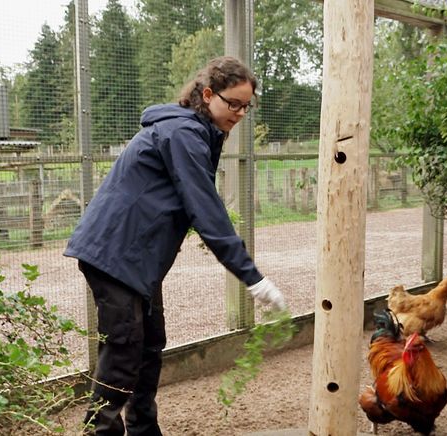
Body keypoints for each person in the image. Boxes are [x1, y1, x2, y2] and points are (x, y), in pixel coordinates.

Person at [64, 56, 287, 436]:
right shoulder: (183, 133)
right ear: (207, 94)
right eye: (233, 103)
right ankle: (98, 432)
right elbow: (205, 208)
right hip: (115, 253)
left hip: (137, 260)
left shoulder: (197, 132)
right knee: (124, 351)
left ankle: (144, 429)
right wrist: (252, 277)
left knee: (150, 345)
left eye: (246, 106)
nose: (240, 113)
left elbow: (194, 206)